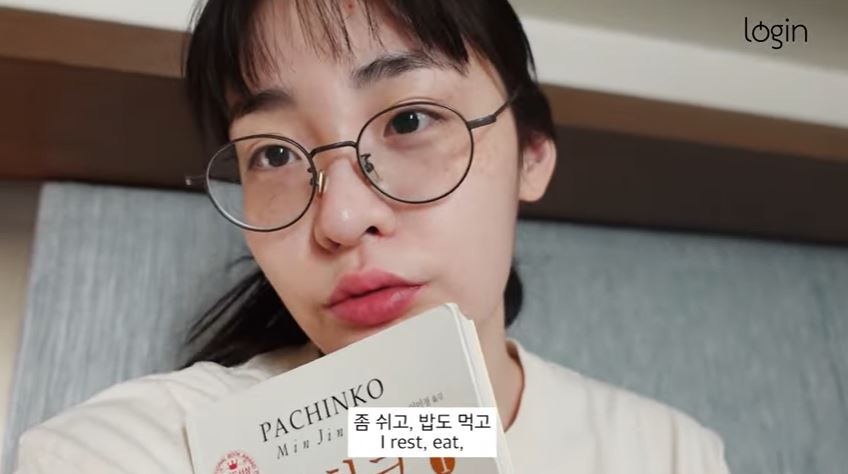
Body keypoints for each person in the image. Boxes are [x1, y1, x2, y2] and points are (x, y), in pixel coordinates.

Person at [14, 0, 730, 472]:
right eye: (274, 154)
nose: (341, 219)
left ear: (532, 156)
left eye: (409, 120)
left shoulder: (670, 454)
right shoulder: (147, 449)